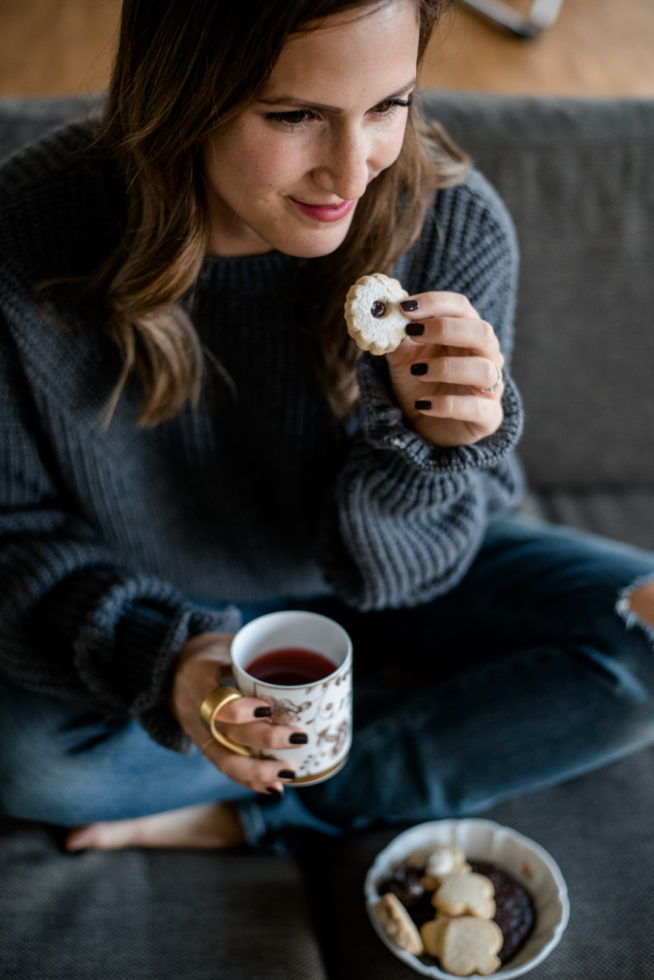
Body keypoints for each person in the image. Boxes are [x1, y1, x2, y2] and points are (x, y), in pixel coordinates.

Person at [2, 0, 654, 854]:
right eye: (294, 116)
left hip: (404, 566)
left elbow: (414, 572)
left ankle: (265, 803)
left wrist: (432, 448)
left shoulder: (452, 228)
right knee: (30, 762)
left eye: (390, 105)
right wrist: (171, 668)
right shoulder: (26, 242)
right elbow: (13, 535)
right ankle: (434, 720)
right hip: (168, 590)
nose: (353, 171)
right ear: (182, 95)